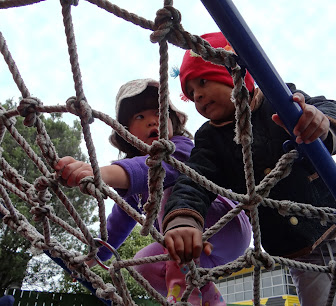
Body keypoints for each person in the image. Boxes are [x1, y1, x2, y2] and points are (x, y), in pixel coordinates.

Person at [162, 32, 336, 305]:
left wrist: (319, 122)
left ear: (233, 72)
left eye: (203, 82)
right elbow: (194, 181)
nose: (199, 96)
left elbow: (329, 106)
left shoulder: (278, 98)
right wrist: (184, 219)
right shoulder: (210, 140)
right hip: (301, 255)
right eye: (191, 93)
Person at [55, 78, 251, 305]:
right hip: (195, 252)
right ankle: (208, 299)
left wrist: (100, 173)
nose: (152, 121)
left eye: (159, 113)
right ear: (125, 132)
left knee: (165, 194)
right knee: (141, 264)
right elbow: (115, 229)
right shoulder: (132, 189)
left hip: (225, 225)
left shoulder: (182, 147)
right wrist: (89, 259)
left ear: (172, 121)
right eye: (140, 117)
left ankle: (183, 300)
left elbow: (154, 170)